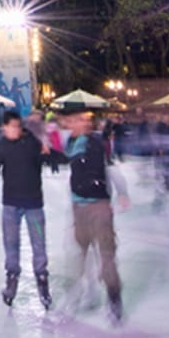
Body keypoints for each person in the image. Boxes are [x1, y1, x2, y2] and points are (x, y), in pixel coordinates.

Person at [59, 105, 129, 323]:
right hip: (79, 207)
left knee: (106, 254)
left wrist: (122, 192)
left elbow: (110, 168)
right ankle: (83, 293)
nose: (84, 123)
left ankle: (114, 298)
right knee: (80, 253)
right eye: (78, 119)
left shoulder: (95, 143)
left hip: (99, 205)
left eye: (85, 119)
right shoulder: (71, 144)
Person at [0, 110, 50, 308]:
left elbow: (44, 159)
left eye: (18, 126)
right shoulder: (1, 147)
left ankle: (42, 283)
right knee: (11, 245)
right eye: (11, 126)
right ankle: (11, 281)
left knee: (39, 244)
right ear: (4, 127)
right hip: (11, 205)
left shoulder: (31, 143)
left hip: (34, 204)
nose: (15, 130)